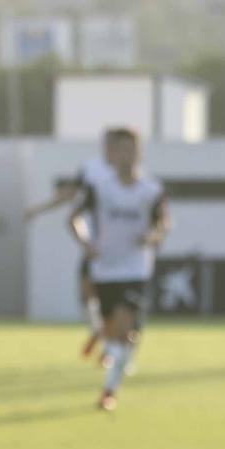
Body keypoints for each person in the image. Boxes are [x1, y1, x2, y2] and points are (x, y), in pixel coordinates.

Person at [70, 127, 168, 412]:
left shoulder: (152, 190)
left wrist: (151, 238)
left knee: (125, 328)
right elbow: (73, 218)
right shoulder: (100, 188)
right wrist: (86, 242)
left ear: (139, 153)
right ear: (112, 154)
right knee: (117, 335)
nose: (126, 155)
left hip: (136, 270)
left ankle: (109, 392)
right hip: (105, 269)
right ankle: (108, 347)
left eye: (132, 149)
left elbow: (162, 224)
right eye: (120, 149)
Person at [27, 128, 122, 361]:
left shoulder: (131, 175)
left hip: (121, 249)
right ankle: (99, 332)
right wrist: (38, 209)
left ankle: (113, 349)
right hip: (96, 246)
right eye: (108, 144)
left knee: (117, 303)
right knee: (86, 295)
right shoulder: (91, 169)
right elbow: (69, 196)